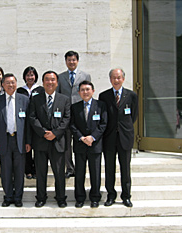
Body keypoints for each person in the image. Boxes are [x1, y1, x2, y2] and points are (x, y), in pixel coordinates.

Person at [29, 71, 70, 208]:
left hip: (58, 142)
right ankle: (41, 197)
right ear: (43, 82)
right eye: (47, 80)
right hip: (41, 142)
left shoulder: (64, 99)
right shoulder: (35, 99)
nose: (50, 82)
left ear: (57, 82)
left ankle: (61, 197)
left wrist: (55, 133)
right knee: (40, 172)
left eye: (52, 80)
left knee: (59, 172)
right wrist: (43, 132)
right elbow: (32, 117)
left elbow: (66, 119)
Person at [98, 68, 138, 208]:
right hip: (109, 138)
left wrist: (123, 129)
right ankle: (111, 195)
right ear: (110, 79)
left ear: (123, 79)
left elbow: (133, 116)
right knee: (109, 169)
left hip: (125, 138)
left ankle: (126, 196)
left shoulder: (131, 95)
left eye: (119, 77)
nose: (116, 80)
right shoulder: (104, 96)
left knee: (125, 169)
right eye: (114, 78)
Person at [0, 73, 31, 208]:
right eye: (7, 83)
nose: (10, 85)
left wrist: (28, 141)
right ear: (2, 85)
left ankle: (18, 197)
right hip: (4, 140)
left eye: (13, 82)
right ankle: (8, 196)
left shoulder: (24, 100)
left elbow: (28, 124)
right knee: (6, 171)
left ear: (16, 84)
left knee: (19, 171)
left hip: (19, 141)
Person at [70, 81, 107, 208]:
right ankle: (80, 198)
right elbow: (72, 125)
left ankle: (95, 197)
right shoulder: (75, 107)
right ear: (79, 92)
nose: (85, 92)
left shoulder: (101, 105)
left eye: (87, 89)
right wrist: (81, 137)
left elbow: (103, 124)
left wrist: (92, 137)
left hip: (95, 145)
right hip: (80, 145)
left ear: (93, 91)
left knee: (95, 173)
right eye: (82, 90)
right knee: (79, 173)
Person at [57, 50, 91, 179]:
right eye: (69, 60)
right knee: (66, 144)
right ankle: (70, 168)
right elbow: (59, 96)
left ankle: (81, 167)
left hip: (80, 114)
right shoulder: (60, 77)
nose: (71, 62)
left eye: (74, 60)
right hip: (66, 114)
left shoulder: (85, 76)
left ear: (77, 61)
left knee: (80, 141)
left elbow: (88, 94)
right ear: (66, 61)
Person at [17, 66, 44, 179]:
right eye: (28, 75)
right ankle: (28, 170)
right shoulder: (20, 90)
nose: (30, 77)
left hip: (37, 122)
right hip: (24, 122)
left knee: (37, 148)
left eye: (32, 75)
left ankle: (37, 169)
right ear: (24, 77)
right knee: (26, 147)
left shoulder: (40, 90)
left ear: (35, 76)